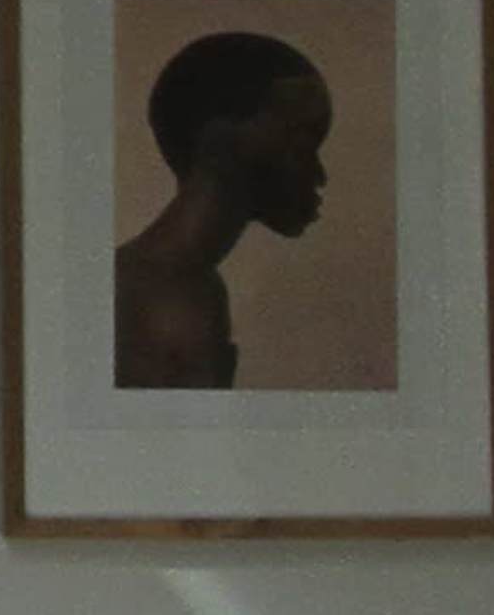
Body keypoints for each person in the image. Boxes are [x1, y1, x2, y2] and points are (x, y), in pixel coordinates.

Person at [113, 27, 334, 387]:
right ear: (221, 142)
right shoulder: (172, 296)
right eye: (302, 141)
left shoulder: (183, 281)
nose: (319, 175)